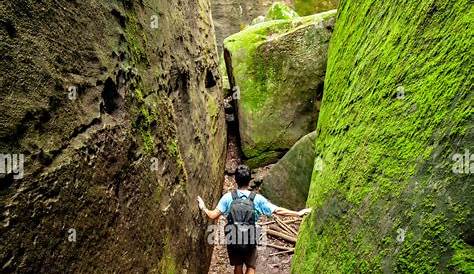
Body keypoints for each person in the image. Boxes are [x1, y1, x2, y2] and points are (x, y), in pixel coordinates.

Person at [197, 165, 312, 274]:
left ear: (236, 180)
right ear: (249, 180)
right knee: (251, 266)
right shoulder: (257, 199)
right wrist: (298, 213)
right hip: (250, 237)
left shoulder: (228, 198)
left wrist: (203, 207)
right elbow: (277, 210)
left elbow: (213, 215)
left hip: (233, 237)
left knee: (238, 266)